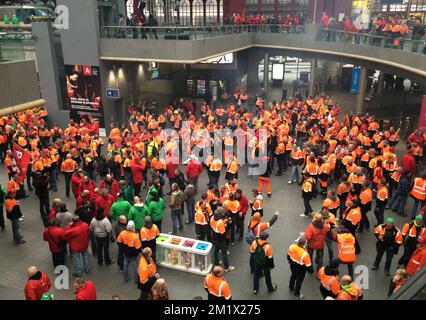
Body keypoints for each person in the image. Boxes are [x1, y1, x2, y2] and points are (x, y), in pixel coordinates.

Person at [287, 235, 313, 299]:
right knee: (299, 281)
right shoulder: (305, 254)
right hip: (301, 269)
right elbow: (309, 266)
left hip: (292, 266)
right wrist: (311, 271)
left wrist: (290, 262)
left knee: (293, 275)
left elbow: (288, 256)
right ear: (304, 244)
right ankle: (296, 293)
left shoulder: (292, 246)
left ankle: (291, 287)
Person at [210, 207, 235, 272]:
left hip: (214, 236)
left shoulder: (212, 217)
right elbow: (223, 232)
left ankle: (216, 263)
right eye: (223, 213)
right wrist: (226, 224)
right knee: (224, 253)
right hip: (220, 239)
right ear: (220, 214)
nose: (224, 214)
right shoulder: (220, 222)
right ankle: (227, 267)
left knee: (216, 251)